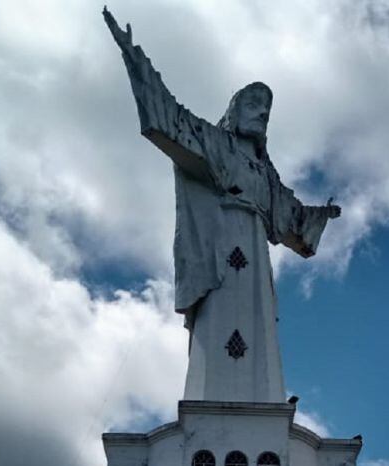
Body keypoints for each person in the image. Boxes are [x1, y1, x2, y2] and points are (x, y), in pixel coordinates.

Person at [104, 7, 340, 402]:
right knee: (222, 324)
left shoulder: (266, 174)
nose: (262, 114)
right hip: (220, 246)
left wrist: (320, 215)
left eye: (266, 110)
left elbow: (292, 216)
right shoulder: (215, 143)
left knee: (258, 322)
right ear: (234, 110)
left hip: (254, 254)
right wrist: (137, 63)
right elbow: (170, 119)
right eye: (254, 105)